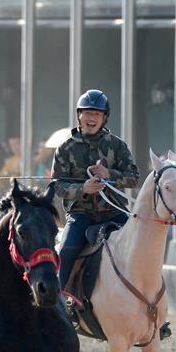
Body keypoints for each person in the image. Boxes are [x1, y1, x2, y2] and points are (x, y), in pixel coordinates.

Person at [52, 89, 139, 292]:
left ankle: (156, 309)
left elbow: (134, 178)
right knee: (64, 252)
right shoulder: (65, 148)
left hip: (115, 213)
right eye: (88, 113)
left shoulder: (117, 146)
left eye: (97, 114)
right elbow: (58, 186)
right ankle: (57, 307)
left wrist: (110, 174)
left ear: (104, 118)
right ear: (79, 115)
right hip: (81, 215)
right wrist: (83, 188)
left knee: (142, 248)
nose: (92, 118)